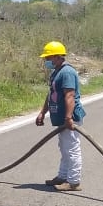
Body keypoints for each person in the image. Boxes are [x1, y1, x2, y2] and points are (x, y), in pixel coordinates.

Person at [36, 40, 86, 192]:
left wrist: (69, 118)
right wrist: (43, 112)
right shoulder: (56, 72)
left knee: (71, 149)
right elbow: (52, 93)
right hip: (62, 117)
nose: (46, 61)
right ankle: (62, 176)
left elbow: (69, 95)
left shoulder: (67, 72)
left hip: (69, 118)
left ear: (57, 57)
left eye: (48, 58)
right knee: (64, 148)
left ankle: (74, 181)